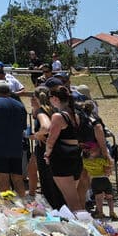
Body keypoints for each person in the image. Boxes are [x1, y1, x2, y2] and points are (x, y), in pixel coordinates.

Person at [42, 85, 88, 214]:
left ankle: (84, 228)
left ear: (55, 98)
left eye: (49, 97)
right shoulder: (76, 115)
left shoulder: (58, 116)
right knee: (73, 197)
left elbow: (51, 139)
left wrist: (47, 154)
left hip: (62, 158)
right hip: (75, 156)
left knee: (72, 200)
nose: (49, 100)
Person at [80, 103, 117, 219]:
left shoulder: (84, 120)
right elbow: (108, 166)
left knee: (97, 195)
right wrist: (106, 156)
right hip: (99, 153)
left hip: (93, 157)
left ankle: (96, 210)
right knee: (108, 195)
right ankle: (110, 211)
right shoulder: (95, 119)